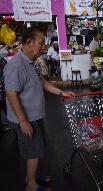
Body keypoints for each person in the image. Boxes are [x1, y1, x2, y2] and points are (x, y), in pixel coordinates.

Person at [4, 27, 75, 191]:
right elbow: (11, 93)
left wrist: (61, 92)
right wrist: (23, 121)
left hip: (34, 116)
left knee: (38, 147)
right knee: (34, 151)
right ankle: (31, 185)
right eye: (41, 43)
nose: (43, 47)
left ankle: (32, 176)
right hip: (25, 118)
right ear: (28, 43)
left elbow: (41, 82)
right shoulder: (16, 65)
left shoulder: (32, 62)